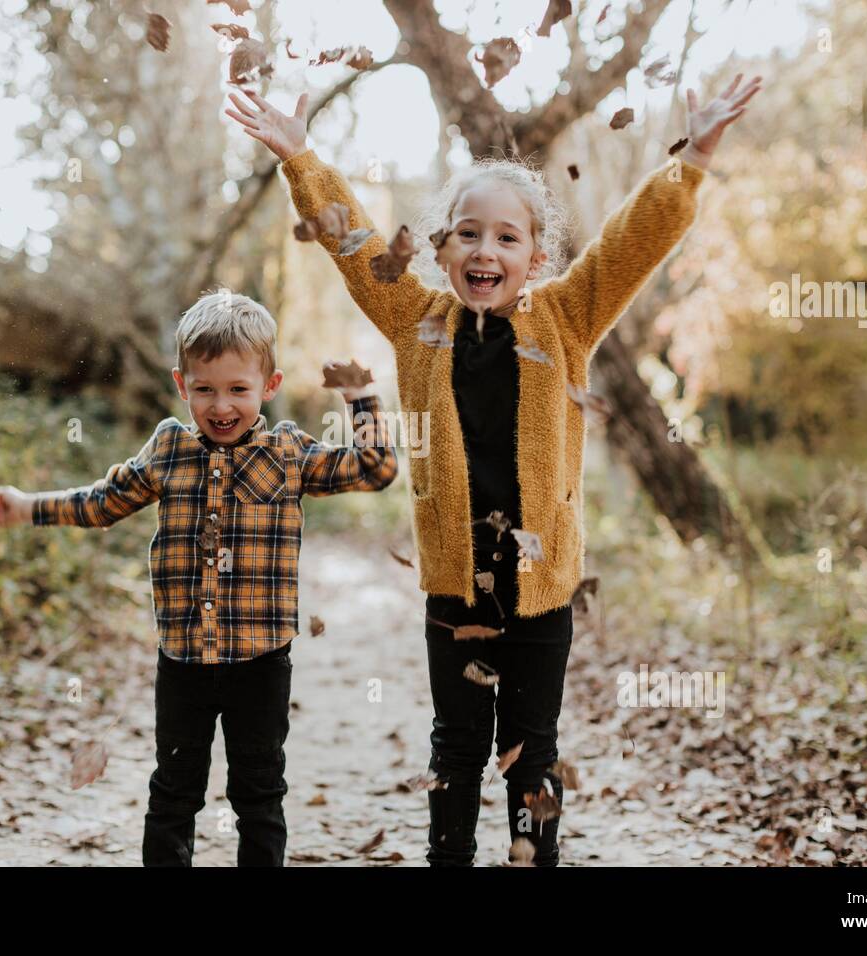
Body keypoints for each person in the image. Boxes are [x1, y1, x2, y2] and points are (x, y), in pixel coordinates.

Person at [226, 73, 762, 865]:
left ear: (535, 257)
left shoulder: (567, 317)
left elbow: (630, 244)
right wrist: (301, 157)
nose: (486, 251)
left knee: (530, 754)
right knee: (456, 751)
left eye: (508, 238)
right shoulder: (416, 322)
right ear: (440, 248)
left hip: (543, 596)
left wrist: (694, 157)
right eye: (468, 234)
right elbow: (351, 243)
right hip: (455, 588)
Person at [0, 290, 398, 865]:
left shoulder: (288, 453)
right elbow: (102, 502)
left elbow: (376, 471)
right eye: (205, 389)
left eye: (237, 390)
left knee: (259, 794)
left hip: (261, 662)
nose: (221, 405)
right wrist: (28, 505)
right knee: (174, 791)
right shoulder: (169, 449)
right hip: (182, 662)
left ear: (268, 387)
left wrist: (361, 397)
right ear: (182, 385)